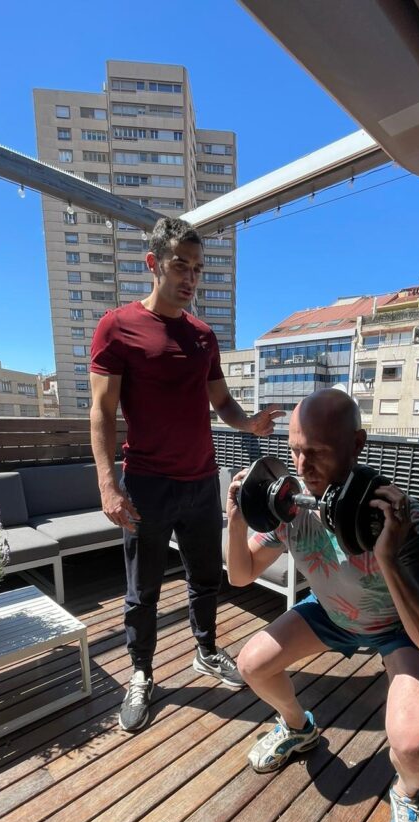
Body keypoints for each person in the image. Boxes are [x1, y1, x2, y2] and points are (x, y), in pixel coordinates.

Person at [225, 389, 419, 822]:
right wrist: (236, 518)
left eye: (318, 451)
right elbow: (241, 575)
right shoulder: (291, 509)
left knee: (413, 746)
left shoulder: (400, 520)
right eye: (294, 451)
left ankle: (407, 795)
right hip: (330, 614)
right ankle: (297, 727)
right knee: (250, 664)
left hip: (397, 629)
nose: (302, 466)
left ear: (357, 444)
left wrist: (388, 555)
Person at [90, 217, 283, 733]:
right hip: (147, 484)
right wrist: (108, 484)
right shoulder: (118, 326)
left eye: (197, 269)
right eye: (180, 265)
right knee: (142, 590)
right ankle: (141, 673)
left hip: (201, 482)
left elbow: (220, 401)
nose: (190, 277)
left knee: (204, 578)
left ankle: (205, 651)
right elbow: (102, 413)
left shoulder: (203, 336)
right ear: (153, 264)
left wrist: (250, 423)